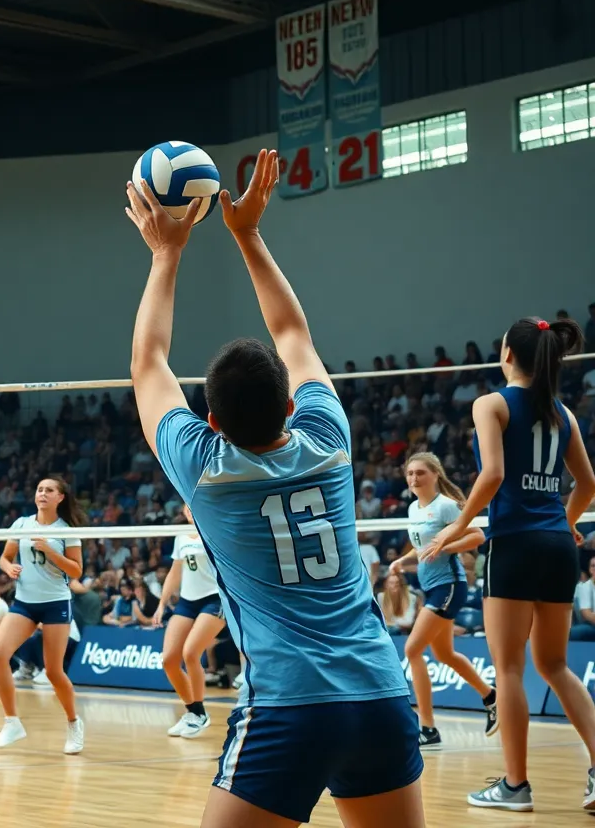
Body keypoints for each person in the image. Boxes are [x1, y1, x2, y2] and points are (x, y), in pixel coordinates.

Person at [125, 151, 423, 827]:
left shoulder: (204, 466)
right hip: (380, 691)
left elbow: (148, 363)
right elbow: (293, 333)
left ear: (212, 422)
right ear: (292, 407)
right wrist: (249, 233)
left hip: (291, 706)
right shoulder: (329, 437)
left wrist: (166, 252)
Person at [426, 317, 595, 812]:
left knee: (510, 668)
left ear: (506, 355)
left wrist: (457, 526)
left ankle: (516, 786)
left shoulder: (491, 403)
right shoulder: (562, 412)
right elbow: (587, 485)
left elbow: (494, 473)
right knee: (556, 665)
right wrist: (564, 522)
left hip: (515, 545)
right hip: (558, 547)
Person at [387, 452, 496, 748]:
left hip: (449, 586)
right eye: (410, 474)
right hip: (431, 586)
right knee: (445, 654)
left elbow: (477, 536)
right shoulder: (412, 509)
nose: (413, 479)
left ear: (435, 474)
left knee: (412, 649)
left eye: (420, 473)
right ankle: (490, 695)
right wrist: (401, 561)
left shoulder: (446, 506)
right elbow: (423, 548)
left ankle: (428, 728)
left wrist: (447, 546)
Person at [0, 477, 86, 754]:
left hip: (55, 603)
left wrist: (49, 551)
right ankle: (11, 722)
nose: (43, 494)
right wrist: (8, 568)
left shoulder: (67, 530)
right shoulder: (21, 524)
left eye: (49, 490)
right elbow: (5, 557)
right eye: (40, 489)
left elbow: (77, 571)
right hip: (24, 603)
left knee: (54, 671)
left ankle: (73, 722)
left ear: (61, 498)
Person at [153, 506, 226, 739]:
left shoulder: (215, 531)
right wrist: (162, 604)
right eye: (186, 507)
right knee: (169, 660)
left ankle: (201, 713)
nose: (189, 510)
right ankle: (193, 712)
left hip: (215, 599)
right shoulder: (181, 535)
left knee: (191, 653)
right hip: (187, 601)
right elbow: (175, 573)